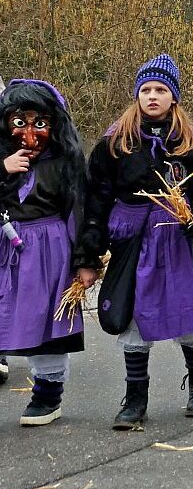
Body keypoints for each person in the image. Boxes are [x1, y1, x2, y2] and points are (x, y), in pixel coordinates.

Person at [81, 54, 193, 429]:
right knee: (131, 319)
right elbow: (96, 196)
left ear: (173, 96)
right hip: (131, 240)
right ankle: (134, 397)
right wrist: (91, 250)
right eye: (146, 90)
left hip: (175, 239)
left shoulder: (190, 143)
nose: (153, 96)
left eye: (161, 89)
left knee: (184, 316)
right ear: (137, 95)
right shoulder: (116, 141)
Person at [0, 80, 97, 425]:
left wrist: (86, 260)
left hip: (49, 249)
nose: (29, 132)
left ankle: (47, 394)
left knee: (47, 320)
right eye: (19, 121)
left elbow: (83, 212)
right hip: (6, 248)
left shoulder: (65, 163)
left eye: (39, 123)